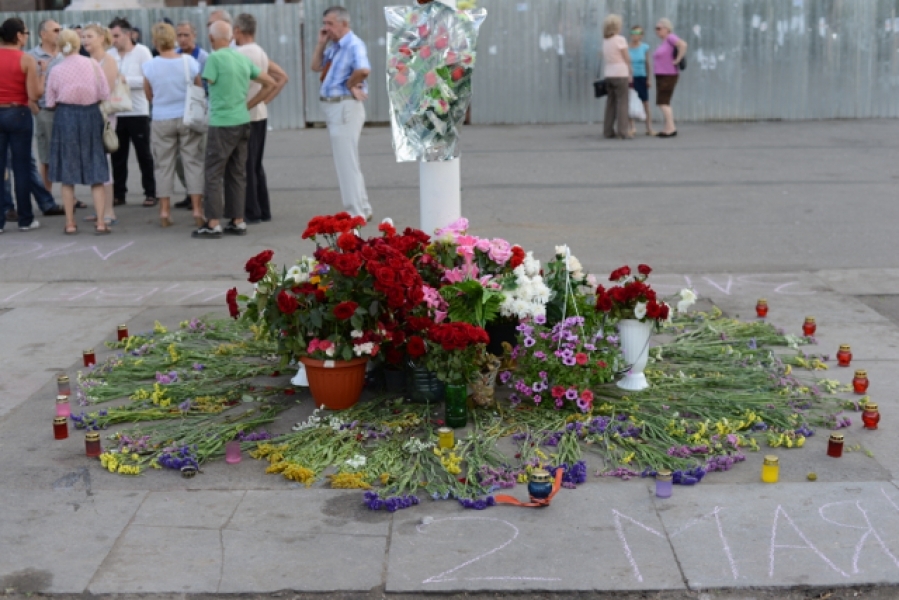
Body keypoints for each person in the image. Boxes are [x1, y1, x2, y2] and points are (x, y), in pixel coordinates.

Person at [192, 20, 274, 239]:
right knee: (237, 172)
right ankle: (238, 220)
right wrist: (250, 104)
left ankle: (213, 222)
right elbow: (271, 83)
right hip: (242, 120)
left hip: (221, 123)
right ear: (230, 38)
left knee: (213, 172)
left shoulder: (214, 59)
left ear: (211, 38)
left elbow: (204, 82)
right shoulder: (242, 58)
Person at [44, 29, 110, 235]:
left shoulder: (55, 70)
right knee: (96, 171)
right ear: (77, 44)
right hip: (91, 116)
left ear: (59, 46)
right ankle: (100, 222)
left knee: (67, 174)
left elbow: (50, 102)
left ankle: (70, 223)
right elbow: (105, 93)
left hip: (65, 117)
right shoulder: (93, 64)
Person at [311, 6, 372, 221]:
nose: (326, 28)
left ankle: (355, 212)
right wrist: (321, 43)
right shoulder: (335, 46)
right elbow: (315, 66)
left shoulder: (353, 44)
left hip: (344, 106)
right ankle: (362, 207)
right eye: (325, 23)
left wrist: (350, 83)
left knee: (345, 163)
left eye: (330, 23)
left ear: (344, 24)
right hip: (335, 107)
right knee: (349, 161)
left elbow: (364, 69)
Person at [142, 22, 205, 228]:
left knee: (163, 166)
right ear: (174, 39)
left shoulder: (150, 65)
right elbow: (198, 88)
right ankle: (197, 208)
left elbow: (149, 95)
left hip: (161, 118)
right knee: (192, 163)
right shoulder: (188, 61)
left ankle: (164, 211)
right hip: (187, 117)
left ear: (155, 42)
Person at [234, 13, 288, 224]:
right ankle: (263, 208)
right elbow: (280, 78)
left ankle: (251, 210)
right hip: (260, 114)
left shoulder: (239, 53)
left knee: (245, 165)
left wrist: (251, 102)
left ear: (237, 30)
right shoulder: (260, 52)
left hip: (245, 113)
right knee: (256, 164)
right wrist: (264, 100)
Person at [0, 17, 44, 234]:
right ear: (18, 35)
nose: (27, 37)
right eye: (26, 33)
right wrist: (42, 74)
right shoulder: (26, 59)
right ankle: (25, 219)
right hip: (18, 112)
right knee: (22, 167)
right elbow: (34, 94)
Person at [108, 17, 156, 207]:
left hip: (137, 110)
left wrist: (125, 80)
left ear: (128, 34)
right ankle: (119, 193)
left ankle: (150, 192)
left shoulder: (142, 52)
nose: (114, 40)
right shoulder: (110, 54)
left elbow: (149, 78)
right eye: (112, 36)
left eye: (117, 36)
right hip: (116, 111)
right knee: (117, 156)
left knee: (143, 154)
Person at [82, 23, 119, 227]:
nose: (85, 40)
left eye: (89, 36)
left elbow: (106, 90)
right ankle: (99, 209)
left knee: (103, 161)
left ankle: (109, 211)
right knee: (94, 162)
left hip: (104, 116)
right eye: (84, 36)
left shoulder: (108, 60)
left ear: (101, 38)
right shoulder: (87, 60)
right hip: (89, 114)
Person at [173, 20, 209, 211]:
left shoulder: (203, 58)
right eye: (179, 35)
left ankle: (201, 195)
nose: (182, 39)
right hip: (177, 114)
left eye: (186, 35)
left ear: (194, 36)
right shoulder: (174, 56)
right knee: (179, 158)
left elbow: (208, 89)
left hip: (197, 114)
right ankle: (190, 192)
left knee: (197, 156)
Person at [29, 19, 62, 192]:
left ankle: (69, 196)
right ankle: (47, 198)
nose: (59, 33)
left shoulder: (66, 54)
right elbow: (23, 85)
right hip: (45, 111)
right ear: (43, 34)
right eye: (55, 30)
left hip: (66, 111)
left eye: (60, 29)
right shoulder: (31, 56)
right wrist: (35, 109)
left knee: (66, 156)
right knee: (47, 158)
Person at [653, 18, 687, 138]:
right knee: (664, 102)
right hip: (662, 75)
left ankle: (671, 128)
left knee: (663, 102)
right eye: (655, 28)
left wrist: (677, 59)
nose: (656, 31)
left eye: (659, 28)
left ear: (667, 29)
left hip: (668, 74)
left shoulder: (670, 38)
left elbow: (683, 44)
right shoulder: (664, 41)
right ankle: (668, 127)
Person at [601, 14, 632, 140]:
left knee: (610, 103)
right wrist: (630, 71)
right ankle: (623, 132)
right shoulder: (620, 39)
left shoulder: (605, 40)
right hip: (621, 73)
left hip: (609, 74)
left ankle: (607, 131)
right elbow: (626, 57)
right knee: (622, 102)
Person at [627, 26, 655, 137]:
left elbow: (648, 63)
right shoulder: (626, 47)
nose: (635, 35)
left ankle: (649, 128)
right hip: (630, 77)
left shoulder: (645, 47)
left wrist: (649, 78)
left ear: (641, 35)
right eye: (633, 32)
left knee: (645, 103)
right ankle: (632, 127)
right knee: (630, 103)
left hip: (642, 76)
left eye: (638, 33)